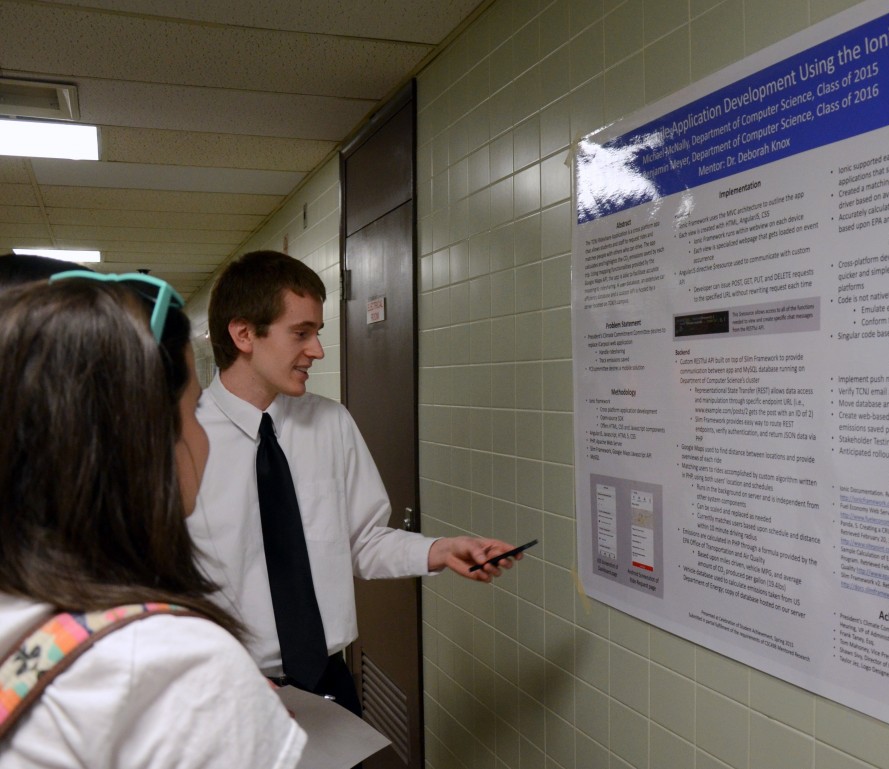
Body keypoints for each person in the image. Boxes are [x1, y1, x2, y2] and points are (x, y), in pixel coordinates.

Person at [188, 249, 522, 712]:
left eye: (317, 333)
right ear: (244, 333)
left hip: (327, 683)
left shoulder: (331, 424)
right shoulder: (178, 438)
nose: (317, 351)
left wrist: (440, 551)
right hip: (223, 691)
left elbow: (361, 541)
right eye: (300, 334)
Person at [0, 273, 306, 768]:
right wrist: (234, 715)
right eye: (193, 409)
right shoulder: (174, 668)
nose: (202, 438)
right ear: (140, 443)